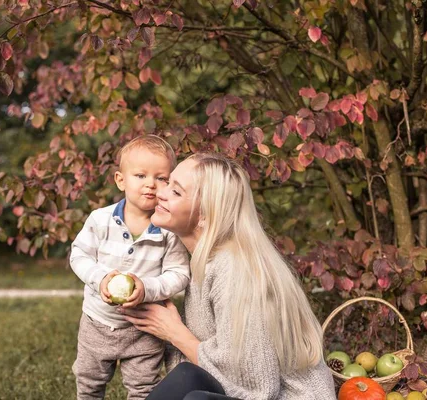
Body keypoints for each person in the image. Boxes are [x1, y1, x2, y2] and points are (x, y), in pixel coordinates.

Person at [119, 153, 336, 400]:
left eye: (176, 192)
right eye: (168, 182)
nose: (161, 192)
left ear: (204, 216)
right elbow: (198, 370)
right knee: (186, 377)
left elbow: (258, 386)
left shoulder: (234, 267)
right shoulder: (204, 261)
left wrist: (174, 331)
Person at [69, 135, 191, 400]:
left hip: (143, 327)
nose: (151, 184)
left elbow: (179, 274)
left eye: (161, 178)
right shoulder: (100, 220)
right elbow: (79, 255)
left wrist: (146, 288)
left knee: (144, 389)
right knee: (89, 384)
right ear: (120, 180)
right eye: (140, 175)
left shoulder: (169, 230)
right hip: (97, 322)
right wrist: (101, 279)